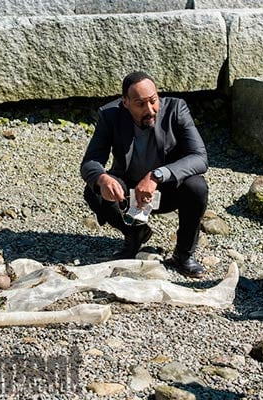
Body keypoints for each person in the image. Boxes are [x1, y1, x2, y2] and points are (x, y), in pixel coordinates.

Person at [81, 71, 209, 278]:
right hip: (129, 192)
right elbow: (90, 162)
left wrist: (156, 176)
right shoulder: (110, 115)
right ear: (125, 103)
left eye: (153, 100)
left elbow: (199, 157)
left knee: (197, 187)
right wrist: (102, 179)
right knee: (94, 190)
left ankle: (183, 254)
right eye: (140, 104)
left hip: (168, 189)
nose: (149, 109)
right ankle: (134, 233)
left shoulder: (176, 109)